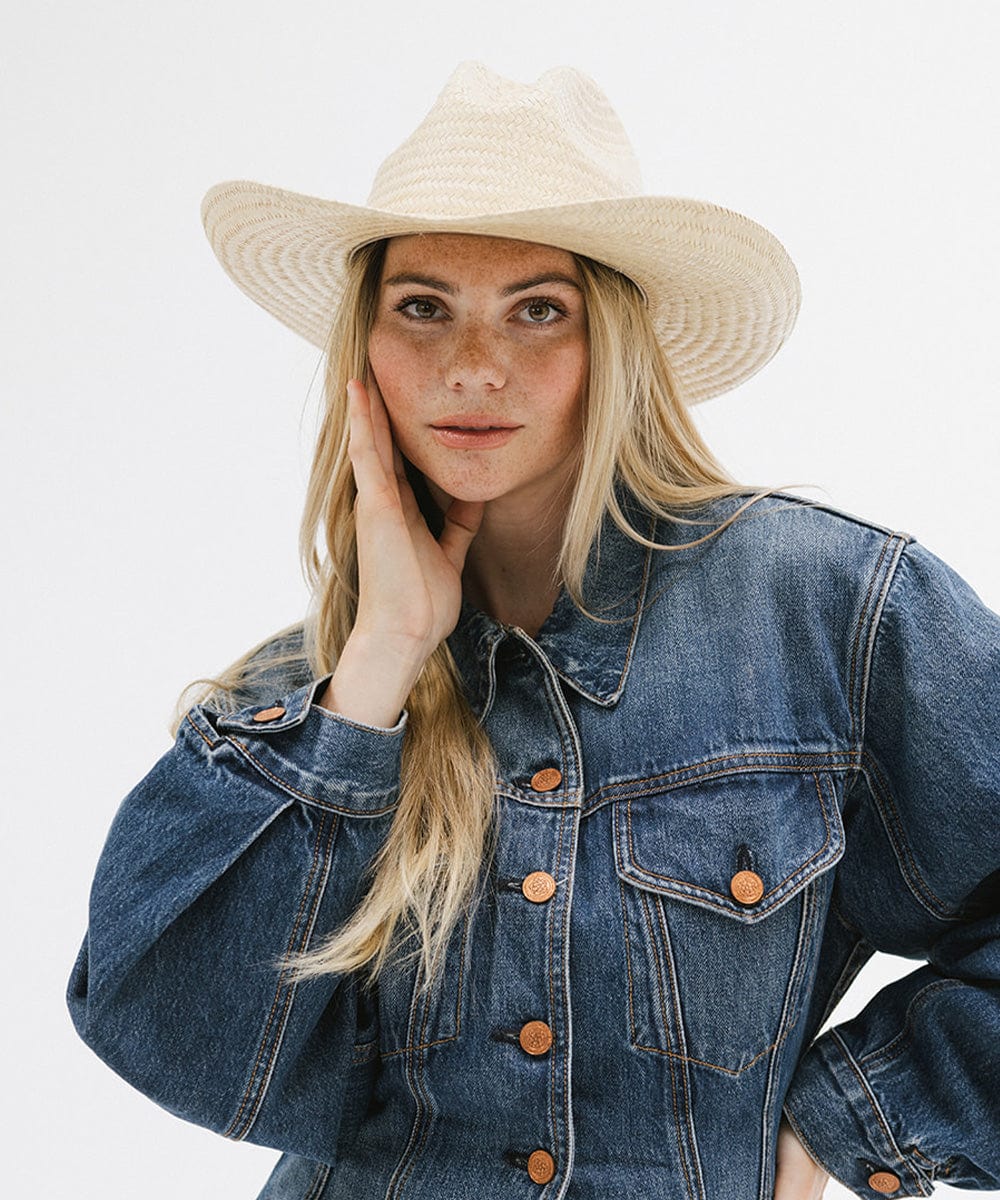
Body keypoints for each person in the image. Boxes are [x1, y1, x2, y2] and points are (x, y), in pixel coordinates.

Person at [67, 62, 1000, 1200]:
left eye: (537, 309)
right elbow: (178, 1040)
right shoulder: (303, 695)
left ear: (608, 340)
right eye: (423, 307)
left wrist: (840, 1131)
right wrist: (377, 668)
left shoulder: (828, 613)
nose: (472, 365)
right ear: (363, 346)